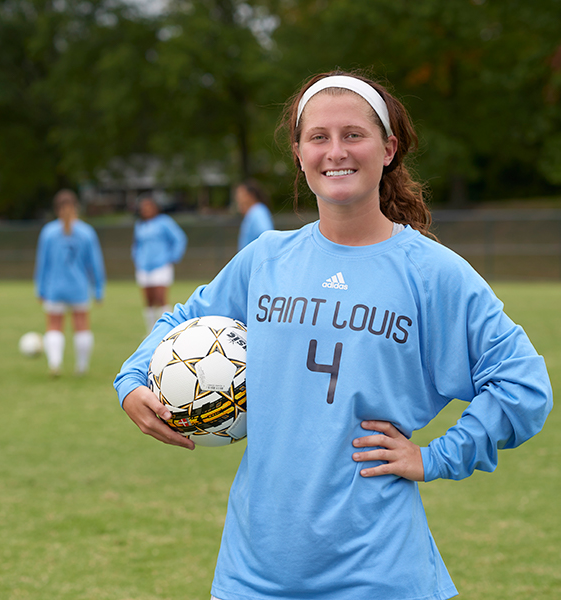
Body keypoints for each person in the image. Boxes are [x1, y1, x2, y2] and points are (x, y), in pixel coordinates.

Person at [113, 70, 553, 600]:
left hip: (379, 575)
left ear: (388, 149)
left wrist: (436, 456)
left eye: (354, 135)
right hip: (253, 574)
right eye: (318, 137)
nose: (335, 151)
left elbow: (524, 385)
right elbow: (178, 321)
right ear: (298, 153)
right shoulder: (266, 260)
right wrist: (133, 379)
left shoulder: (433, 273)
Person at [35, 189, 106, 376]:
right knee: (81, 325)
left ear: (56, 209)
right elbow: (95, 264)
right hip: (79, 288)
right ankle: (81, 367)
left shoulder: (48, 232)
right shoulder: (87, 232)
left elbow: (43, 263)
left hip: (54, 288)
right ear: (77, 207)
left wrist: (40, 289)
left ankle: (55, 363)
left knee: (54, 326)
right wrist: (99, 289)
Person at [131, 194, 187, 333]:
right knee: (148, 301)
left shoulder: (164, 222)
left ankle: (166, 331)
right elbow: (136, 245)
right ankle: (150, 332)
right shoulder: (140, 225)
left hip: (161, 265)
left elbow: (179, 238)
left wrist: (172, 257)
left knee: (161, 298)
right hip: (144, 267)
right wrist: (137, 258)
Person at [235, 179, 274, 250]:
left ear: (250, 195)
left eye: (241, 194)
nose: (237, 198)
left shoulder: (258, 211)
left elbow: (265, 235)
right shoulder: (252, 213)